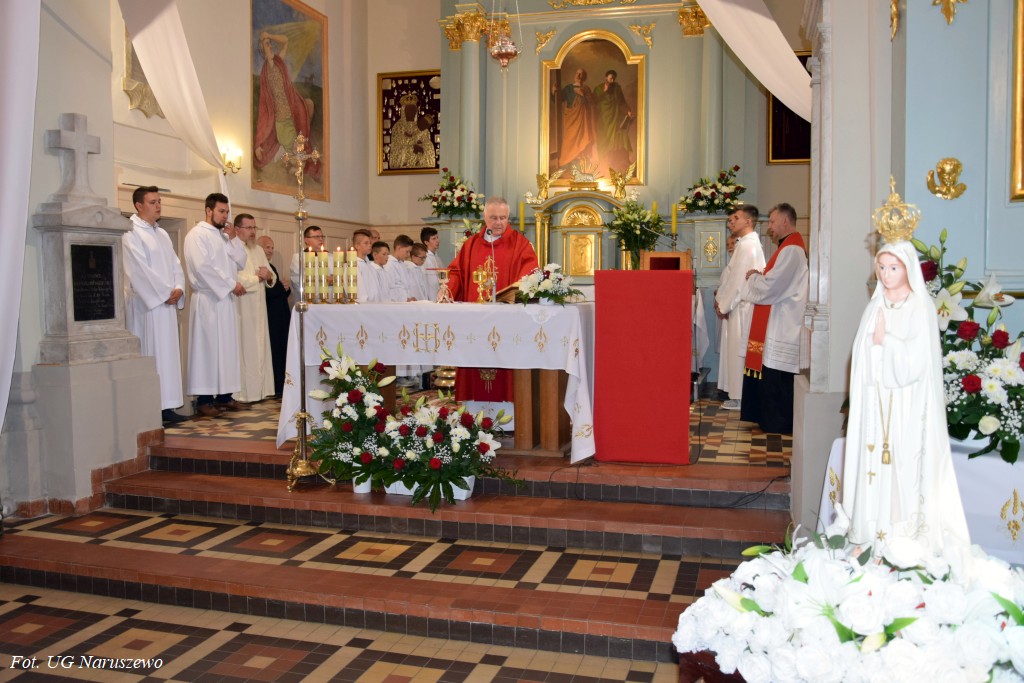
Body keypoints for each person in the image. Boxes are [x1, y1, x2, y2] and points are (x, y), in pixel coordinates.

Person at [841, 237, 969, 555]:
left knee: (903, 467)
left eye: (893, 268)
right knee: (874, 468)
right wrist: (872, 347)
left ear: (908, 269)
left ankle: (900, 535)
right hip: (876, 403)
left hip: (906, 405)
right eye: (882, 267)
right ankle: (870, 532)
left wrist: (887, 342)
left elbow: (917, 362)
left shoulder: (919, 307)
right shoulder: (876, 305)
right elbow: (860, 352)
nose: (886, 275)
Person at [447, 196, 539, 401]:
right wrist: (448, 291)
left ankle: (509, 409)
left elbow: (530, 273)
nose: (498, 222)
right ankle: (472, 408)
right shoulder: (471, 244)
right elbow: (456, 272)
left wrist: (516, 292)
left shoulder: (520, 244)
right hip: (475, 319)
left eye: (503, 218)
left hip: (507, 319)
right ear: (484, 218)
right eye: (494, 218)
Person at [738, 203, 808, 434]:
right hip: (777, 319)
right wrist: (760, 277)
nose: (769, 226)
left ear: (786, 221)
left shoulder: (792, 250)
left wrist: (753, 278)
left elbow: (772, 287)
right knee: (771, 373)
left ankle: (778, 422)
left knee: (778, 377)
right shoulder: (787, 247)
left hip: (784, 322)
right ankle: (767, 419)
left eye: (772, 221)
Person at [121, 186, 187, 426]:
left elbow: (175, 265)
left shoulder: (162, 234)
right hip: (147, 306)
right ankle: (152, 407)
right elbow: (138, 269)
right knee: (152, 354)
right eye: (153, 202)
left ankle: (168, 406)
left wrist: (179, 288)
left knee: (167, 356)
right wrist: (163, 293)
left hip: (166, 304)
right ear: (139, 205)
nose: (158, 206)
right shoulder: (130, 233)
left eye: (159, 201)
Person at [183, 193, 247, 418]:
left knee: (226, 348)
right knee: (207, 349)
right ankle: (204, 400)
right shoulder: (196, 235)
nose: (225, 216)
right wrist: (231, 284)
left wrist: (234, 239)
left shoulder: (223, 236)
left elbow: (241, 261)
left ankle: (225, 397)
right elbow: (203, 268)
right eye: (221, 211)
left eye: (227, 212)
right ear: (208, 210)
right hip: (208, 300)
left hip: (225, 300)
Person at [714, 205, 766, 411]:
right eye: (730, 219)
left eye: (735, 218)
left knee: (739, 352)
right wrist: (722, 300)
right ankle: (738, 395)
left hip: (743, 307)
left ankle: (741, 397)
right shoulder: (745, 244)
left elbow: (737, 282)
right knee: (736, 351)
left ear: (748, 221)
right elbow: (732, 277)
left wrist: (723, 305)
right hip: (739, 304)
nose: (731, 223)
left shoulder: (748, 245)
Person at [253, 31, 318, 179]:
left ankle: (297, 165)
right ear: (262, 50)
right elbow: (264, 108)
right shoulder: (266, 72)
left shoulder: (278, 62)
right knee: (293, 144)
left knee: (307, 109)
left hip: (292, 111)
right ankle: (296, 165)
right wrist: (258, 144)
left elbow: (286, 40)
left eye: (270, 44)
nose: (270, 46)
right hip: (281, 119)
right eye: (266, 45)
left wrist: (269, 36)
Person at [232, 215, 276, 403]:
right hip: (242, 305)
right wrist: (257, 278)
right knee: (245, 348)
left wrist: (268, 276)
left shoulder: (257, 249)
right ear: (237, 229)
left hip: (259, 308)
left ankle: (260, 391)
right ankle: (243, 393)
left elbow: (270, 275)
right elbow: (234, 277)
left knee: (260, 347)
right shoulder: (232, 248)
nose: (252, 231)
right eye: (248, 228)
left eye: (254, 228)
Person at [257, 235, 290, 397]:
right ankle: (275, 385)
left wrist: (285, 288)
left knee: (282, 349)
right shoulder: (259, 268)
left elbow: (278, 290)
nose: (270, 251)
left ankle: (281, 384)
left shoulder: (271, 267)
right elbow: (267, 292)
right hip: (270, 316)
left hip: (280, 314)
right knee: (274, 350)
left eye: (272, 248)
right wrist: (280, 287)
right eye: (267, 247)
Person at [552, 68, 595, 169]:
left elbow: (591, 103)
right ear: (574, 75)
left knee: (582, 139)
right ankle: (567, 162)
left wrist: (582, 95)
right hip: (570, 118)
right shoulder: (568, 88)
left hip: (583, 119)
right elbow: (558, 101)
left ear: (584, 77)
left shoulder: (586, 89)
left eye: (581, 74)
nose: (578, 76)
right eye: (577, 73)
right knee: (569, 140)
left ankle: (580, 162)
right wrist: (554, 92)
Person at [593, 69, 633, 173]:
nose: (612, 80)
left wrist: (628, 110)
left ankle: (617, 164)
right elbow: (593, 102)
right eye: (610, 78)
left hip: (615, 119)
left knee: (617, 140)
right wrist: (604, 92)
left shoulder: (617, 88)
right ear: (606, 77)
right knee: (604, 141)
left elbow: (622, 102)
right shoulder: (598, 89)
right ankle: (604, 166)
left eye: (614, 78)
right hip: (603, 121)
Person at [388, 92, 436, 170]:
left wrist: (422, 148)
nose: (411, 113)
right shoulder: (397, 127)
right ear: (403, 112)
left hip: (419, 167)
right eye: (408, 110)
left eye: (413, 110)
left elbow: (429, 146)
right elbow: (396, 148)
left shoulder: (423, 129)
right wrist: (411, 148)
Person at [289, 224, 326, 297]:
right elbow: (299, 283)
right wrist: (325, 280)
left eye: (322, 236)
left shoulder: (331, 257)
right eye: (317, 237)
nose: (321, 239)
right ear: (306, 240)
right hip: (308, 301)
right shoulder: (299, 258)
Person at [420, 226, 442, 300]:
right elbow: (427, 281)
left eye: (437, 237)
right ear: (426, 242)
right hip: (430, 296)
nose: (438, 241)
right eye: (434, 239)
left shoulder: (436, 257)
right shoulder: (424, 258)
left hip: (439, 294)